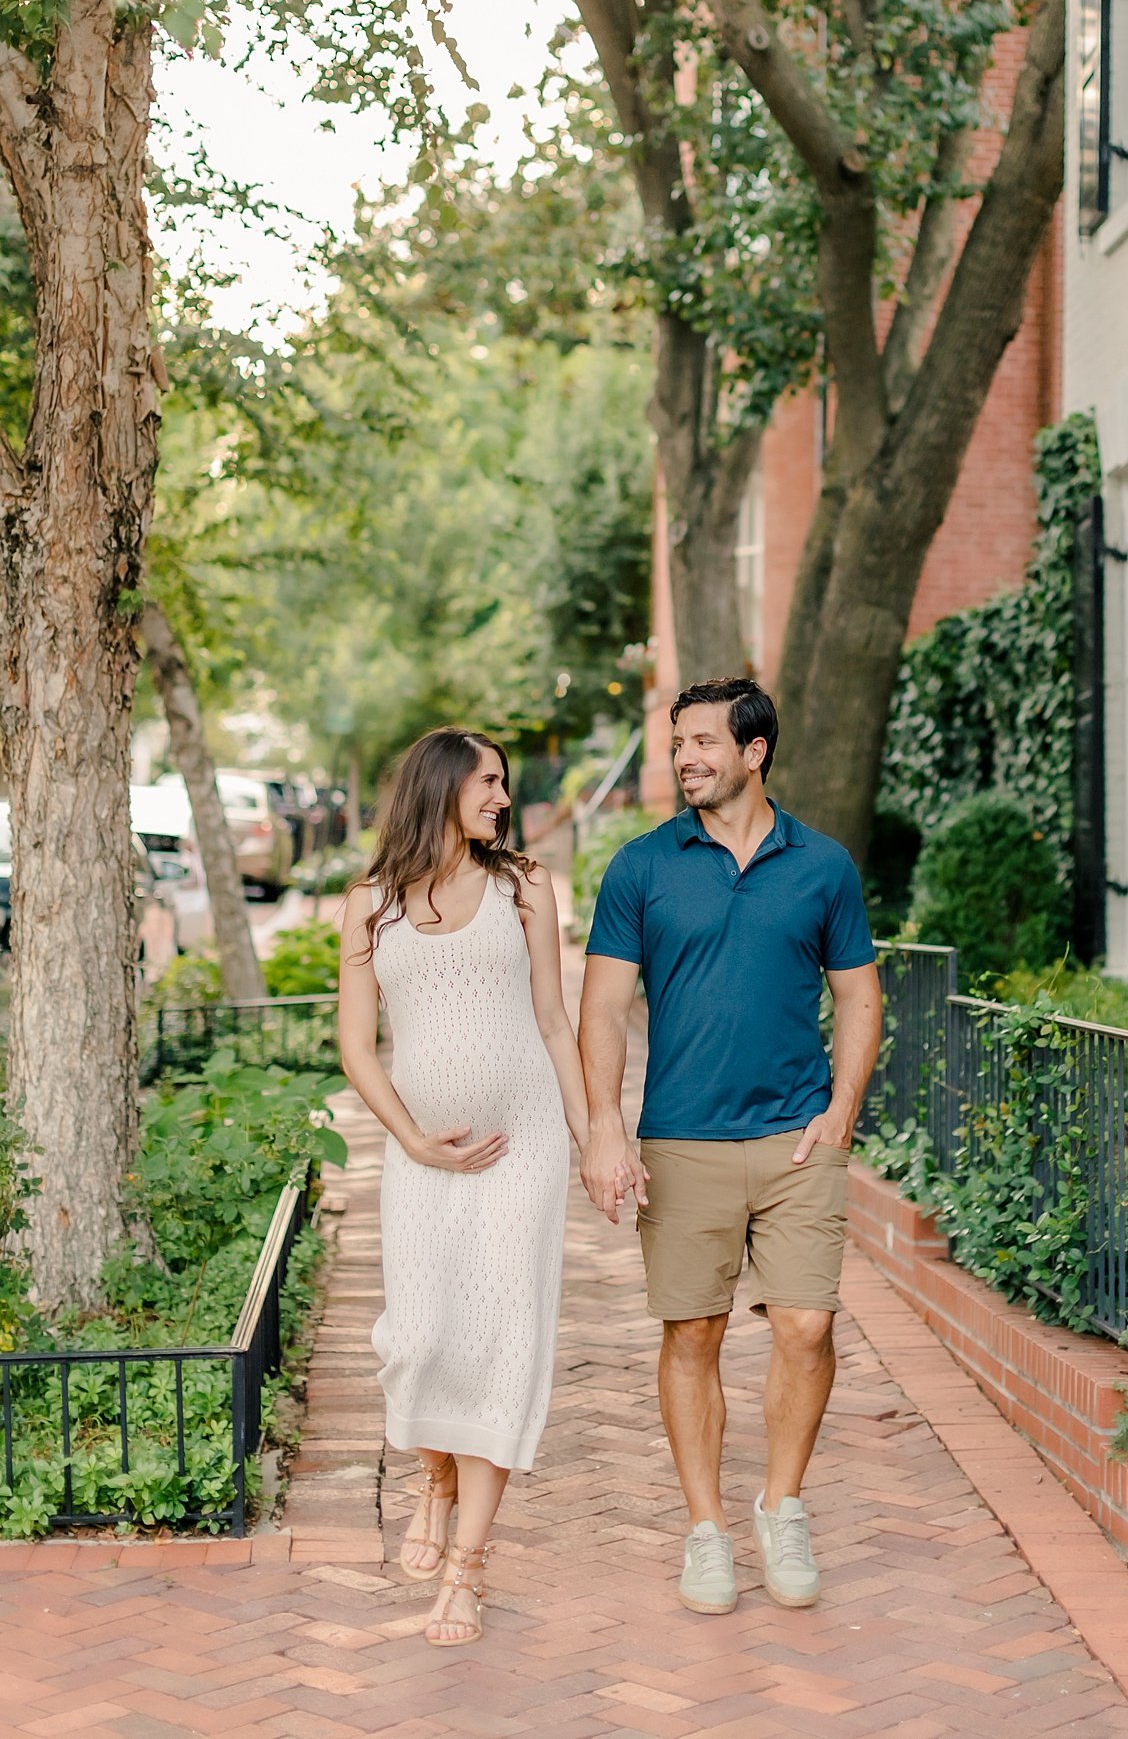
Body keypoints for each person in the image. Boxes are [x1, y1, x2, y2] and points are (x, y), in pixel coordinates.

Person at [578, 677, 883, 1617]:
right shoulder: (641, 867)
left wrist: (840, 1113)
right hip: (682, 1143)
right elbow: (601, 1006)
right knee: (694, 1333)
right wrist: (603, 1124)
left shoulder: (823, 866)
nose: (686, 759)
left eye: (704, 742)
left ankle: (781, 1506)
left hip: (796, 1139)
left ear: (755, 752)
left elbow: (861, 996)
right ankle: (707, 1530)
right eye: (678, 745)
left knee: (806, 1327)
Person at [338, 726, 590, 1647]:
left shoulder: (525, 886)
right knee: (422, 1335)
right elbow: (357, 1047)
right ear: (441, 785)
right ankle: (434, 1475)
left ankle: (467, 1569)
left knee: (502, 1339)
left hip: (518, 1147)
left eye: (503, 783)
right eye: (488, 780)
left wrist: (593, 1132)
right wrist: (411, 1139)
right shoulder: (370, 902)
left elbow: (555, 1025)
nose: (501, 797)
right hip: (421, 1159)